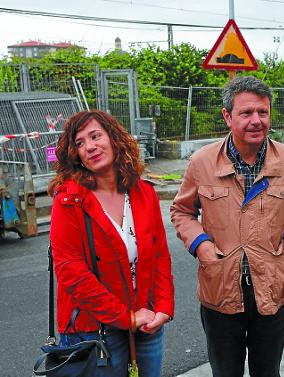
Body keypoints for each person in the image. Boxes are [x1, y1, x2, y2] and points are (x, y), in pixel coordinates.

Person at [170, 76, 284, 377]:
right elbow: (182, 211)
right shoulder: (202, 162)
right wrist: (202, 246)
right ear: (227, 116)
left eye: (262, 112)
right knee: (226, 372)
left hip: (273, 288)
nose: (256, 121)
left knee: (268, 371)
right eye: (246, 113)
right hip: (220, 289)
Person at [48, 110, 175, 377]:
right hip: (93, 330)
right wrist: (124, 317)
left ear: (115, 139)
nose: (90, 146)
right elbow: (71, 272)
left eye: (95, 136)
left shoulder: (144, 193)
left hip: (146, 323)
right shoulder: (68, 201)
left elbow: (160, 256)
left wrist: (163, 307)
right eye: (80, 143)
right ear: (76, 155)